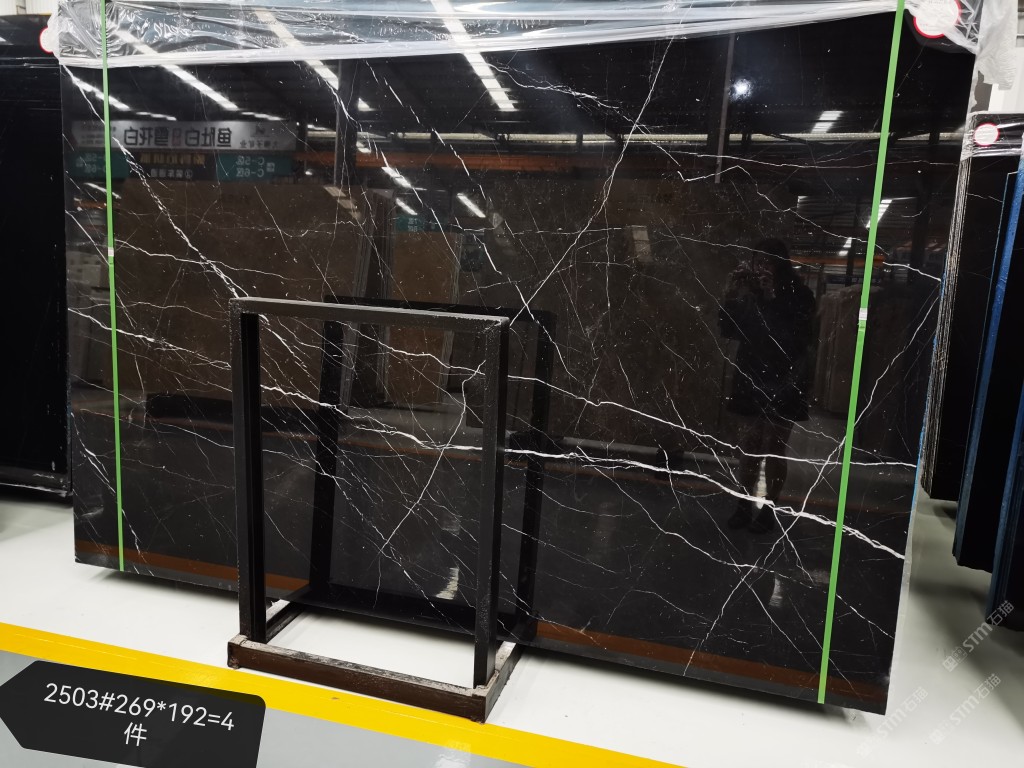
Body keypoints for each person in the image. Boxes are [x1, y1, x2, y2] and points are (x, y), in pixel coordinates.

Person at [718, 239, 815, 534]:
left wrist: (773, 297)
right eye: (757, 261)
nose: (762, 267)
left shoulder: (800, 294)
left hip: (785, 377)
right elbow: (728, 330)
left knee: (774, 446)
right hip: (751, 373)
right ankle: (743, 505)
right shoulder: (750, 294)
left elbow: (801, 337)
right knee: (749, 446)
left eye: (768, 261)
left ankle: (769, 508)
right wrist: (731, 295)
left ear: (781, 264)